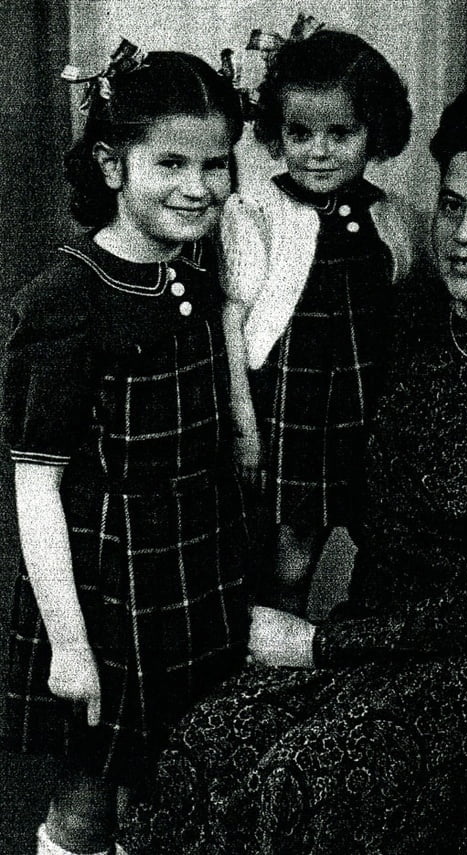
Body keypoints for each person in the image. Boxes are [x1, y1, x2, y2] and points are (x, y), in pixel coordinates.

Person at [119, 69, 467, 854]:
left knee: (306, 775)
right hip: (387, 640)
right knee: (206, 735)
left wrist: (316, 645)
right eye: (454, 205)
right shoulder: (410, 334)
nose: (464, 234)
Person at [2, 41, 249, 855]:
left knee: (177, 783)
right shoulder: (68, 297)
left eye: (216, 163)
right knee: (89, 801)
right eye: (171, 161)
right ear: (112, 165)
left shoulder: (196, 271)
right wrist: (70, 643)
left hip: (192, 571)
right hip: (109, 593)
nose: (198, 185)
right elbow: (38, 486)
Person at [221, 28, 417, 615]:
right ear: (277, 134)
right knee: (289, 559)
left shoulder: (392, 217)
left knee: (384, 544)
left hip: (368, 414)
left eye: (341, 133)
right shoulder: (256, 209)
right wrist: (246, 429)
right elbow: (234, 325)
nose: (318, 151)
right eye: (300, 133)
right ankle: (274, 670)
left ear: (374, 133)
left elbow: (400, 318)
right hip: (292, 414)